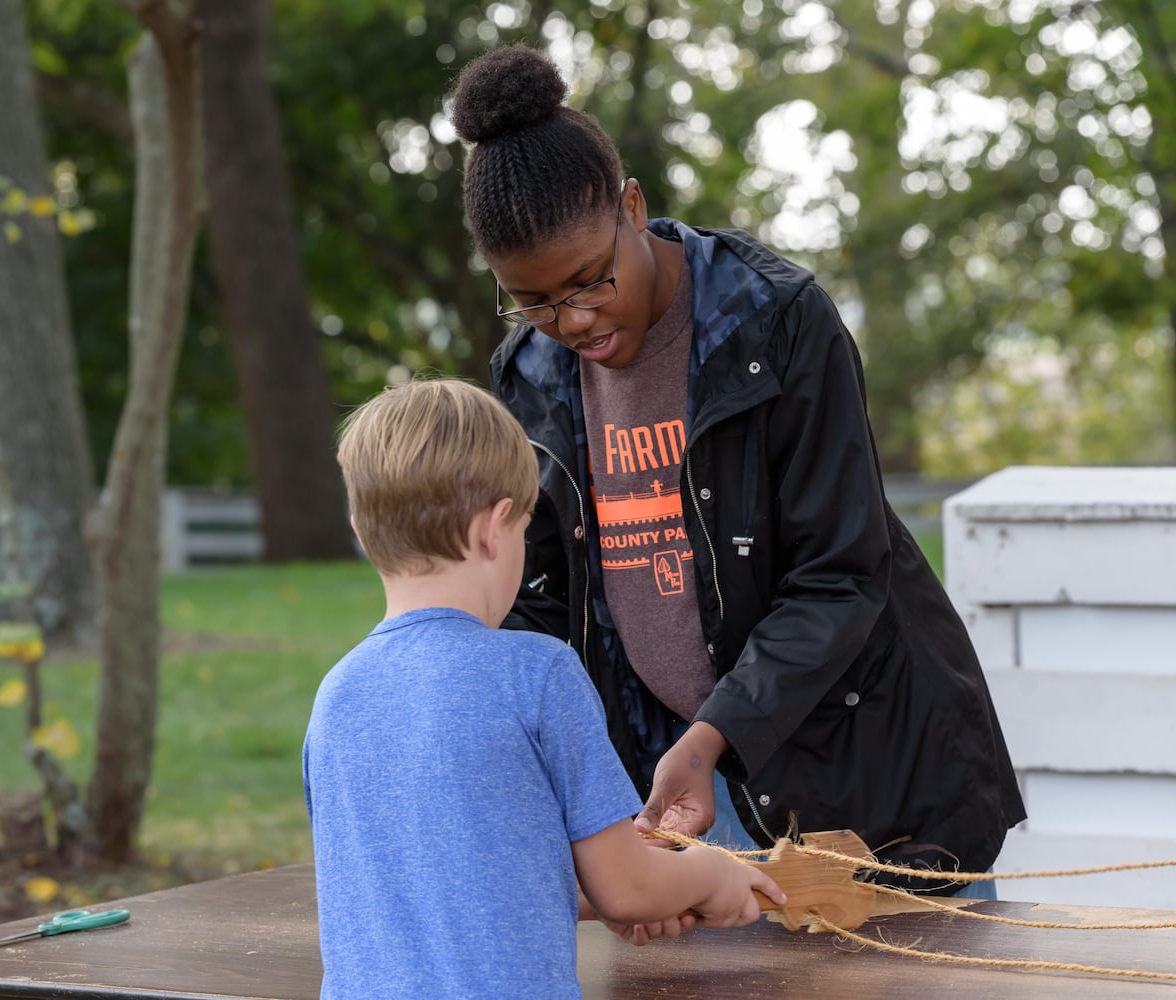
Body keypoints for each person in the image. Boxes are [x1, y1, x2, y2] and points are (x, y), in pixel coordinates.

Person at [447, 44, 1026, 895]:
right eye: (532, 301)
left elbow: (840, 577)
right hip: (670, 791)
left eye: (589, 281)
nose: (572, 320)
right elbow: (538, 600)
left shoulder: (779, 323)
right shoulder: (525, 374)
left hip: (856, 780)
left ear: (632, 207)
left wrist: (715, 733)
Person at [303, 377, 785, 999]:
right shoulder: (539, 673)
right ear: (494, 528)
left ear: (360, 530)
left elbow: (444, 879)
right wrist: (706, 876)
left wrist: (607, 892)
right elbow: (628, 888)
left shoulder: (336, 696)